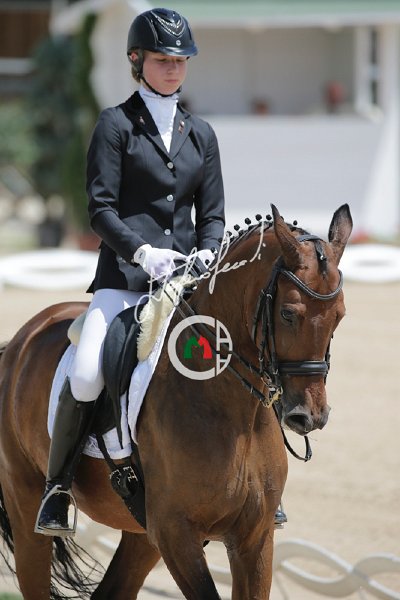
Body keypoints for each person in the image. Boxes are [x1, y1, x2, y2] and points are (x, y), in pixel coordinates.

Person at [35, 7, 225, 537]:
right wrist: (141, 253)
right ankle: (57, 488)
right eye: (163, 60)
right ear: (137, 61)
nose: (173, 69)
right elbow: (100, 209)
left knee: (234, 359)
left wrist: (208, 251)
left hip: (183, 282)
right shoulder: (115, 124)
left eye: (180, 61)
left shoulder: (201, 134)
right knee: (86, 373)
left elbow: (212, 214)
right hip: (124, 281)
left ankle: (256, 481)